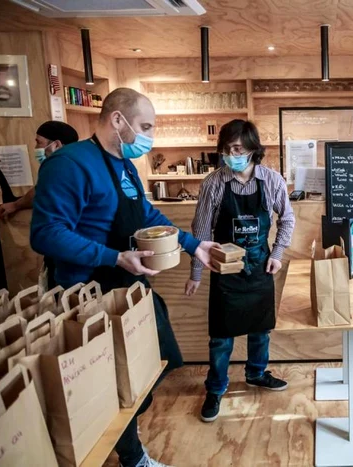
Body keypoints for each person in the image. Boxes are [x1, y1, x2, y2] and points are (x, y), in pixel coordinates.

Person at [31, 88, 217, 467]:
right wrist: (114, 256)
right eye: (145, 126)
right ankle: (131, 458)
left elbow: (145, 215)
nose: (149, 136)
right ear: (118, 120)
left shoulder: (125, 165)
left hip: (125, 287)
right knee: (106, 385)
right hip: (83, 294)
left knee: (143, 371)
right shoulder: (69, 163)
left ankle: (131, 453)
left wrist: (191, 243)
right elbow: (45, 233)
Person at [185, 119, 295, 423]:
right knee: (221, 337)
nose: (231, 154)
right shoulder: (213, 183)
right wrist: (196, 272)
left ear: (252, 148)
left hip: (260, 268)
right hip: (225, 272)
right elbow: (202, 230)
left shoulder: (272, 180)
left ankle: (256, 373)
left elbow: (287, 219)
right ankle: (216, 388)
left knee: (261, 331)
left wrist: (277, 254)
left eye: (237, 148)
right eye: (226, 149)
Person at [0, 121, 79, 219]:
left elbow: (41, 193)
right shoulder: (72, 163)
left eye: (39, 142)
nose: (36, 147)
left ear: (56, 145)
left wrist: (15, 205)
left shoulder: (66, 167)